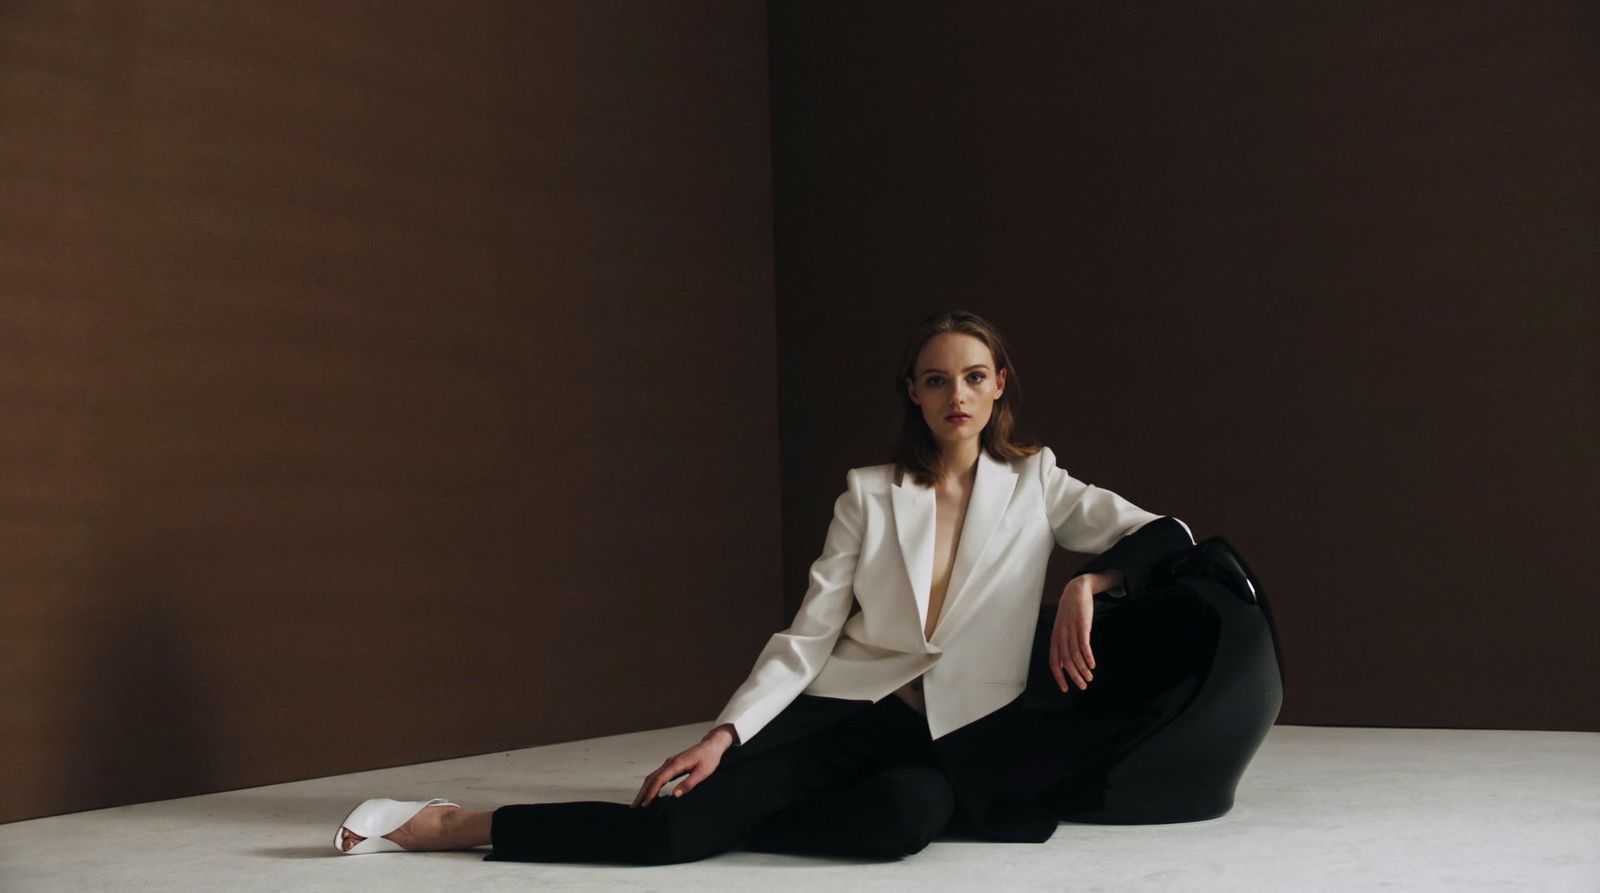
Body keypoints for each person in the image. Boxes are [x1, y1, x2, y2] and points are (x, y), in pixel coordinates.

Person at [332, 309, 1193, 860]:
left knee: (897, 824)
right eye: (937, 378)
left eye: (973, 376)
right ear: (914, 393)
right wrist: (725, 736)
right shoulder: (868, 492)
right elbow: (809, 634)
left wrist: (1091, 582)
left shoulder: (1039, 482)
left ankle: (733, 817)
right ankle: (454, 823)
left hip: (957, 734)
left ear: (999, 385)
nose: (956, 393)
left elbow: (1169, 534)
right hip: (849, 711)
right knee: (670, 832)